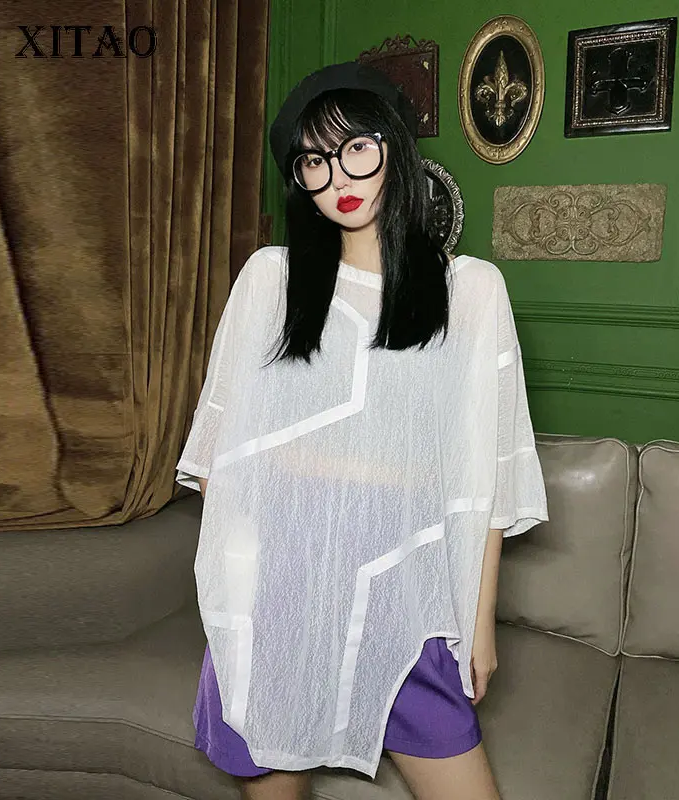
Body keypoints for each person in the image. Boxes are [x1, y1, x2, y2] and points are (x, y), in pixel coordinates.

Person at [175, 61, 548, 800]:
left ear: (396, 150)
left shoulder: (472, 293)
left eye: (356, 148)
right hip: (282, 597)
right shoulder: (270, 282)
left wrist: (478, 624)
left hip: (408, 599)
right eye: (313, 161)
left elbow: (486, 481)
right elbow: (224, 461)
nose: (337, 176)